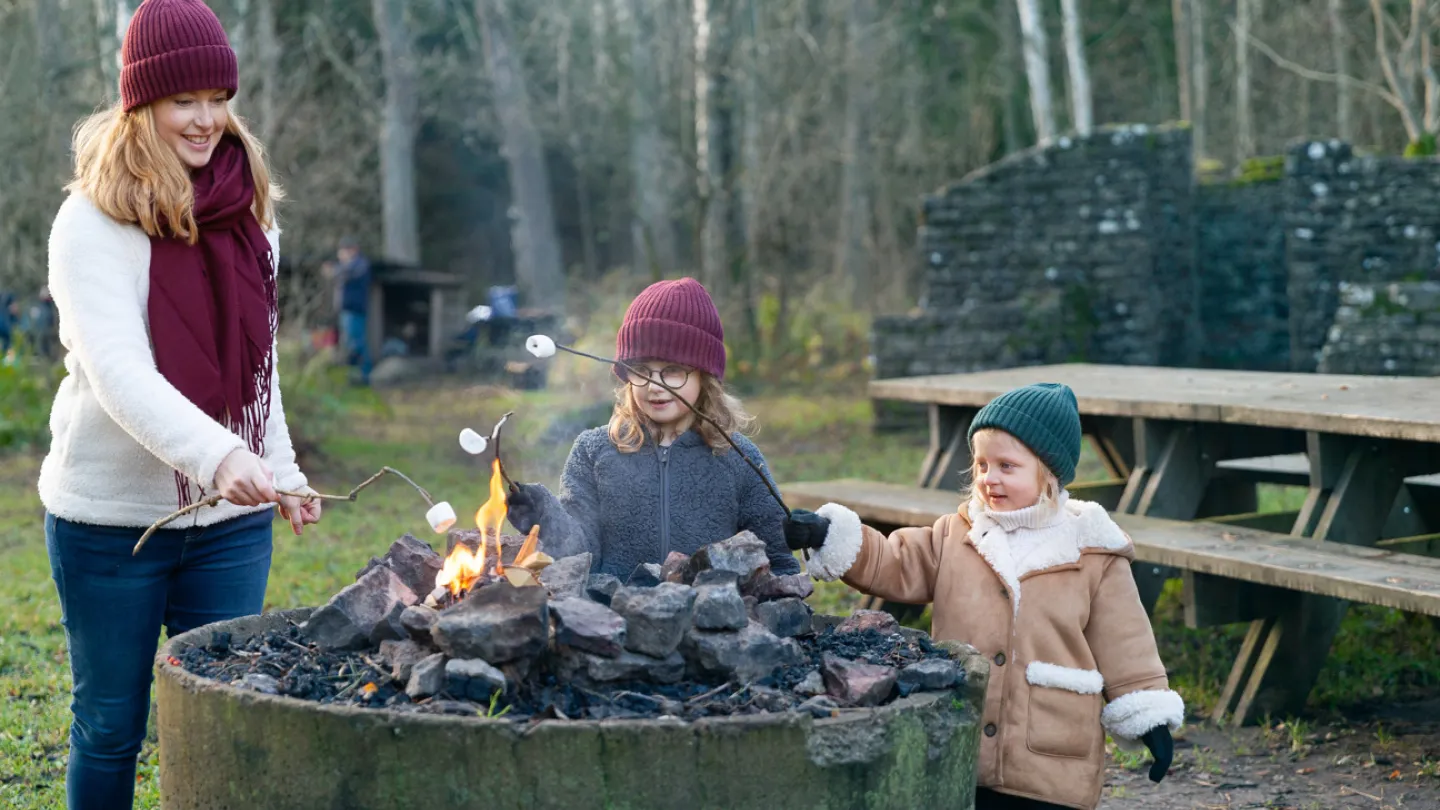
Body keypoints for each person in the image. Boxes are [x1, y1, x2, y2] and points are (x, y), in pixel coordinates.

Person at [39, 2, 320, 806]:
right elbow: (119, 374)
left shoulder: (252, 215)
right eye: (181, 101)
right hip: (110, 528)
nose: (205, 121)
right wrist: (220, 455)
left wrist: (280, 467)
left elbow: (256, 368)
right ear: (141, 104)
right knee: (111, 723)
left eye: (217, 98)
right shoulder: (90, 222)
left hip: (231, 530)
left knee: (229, 721)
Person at [784, 383, 1181, 810]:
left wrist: (1149, 717)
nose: (989, 478)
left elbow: (1126, 642)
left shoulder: (1093, 552)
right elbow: (893, 560)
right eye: (981, 465)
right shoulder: (957, 535)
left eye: (1007, 466)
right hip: (962, 745)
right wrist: (832, 536)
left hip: (1049, 757)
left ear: (1047, 473)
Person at [504, 277, 801, 579]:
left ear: (705, 376)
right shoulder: (594, 452)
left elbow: (778, 561)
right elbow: (579, 551)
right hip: (613, 617)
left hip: (714, 619)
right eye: (641, 371)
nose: (654, 386)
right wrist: (544, 518)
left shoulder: (737, 458)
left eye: (672, 371)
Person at [322, 234, 372, 384]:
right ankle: (355, 376)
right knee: (350, 343)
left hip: (354, 311)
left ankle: (363, 376)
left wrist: (332, 270)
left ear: (353, 250)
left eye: (343, 251)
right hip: (347, 311)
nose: (341, 255)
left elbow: (345, 272)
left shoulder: (360, 264)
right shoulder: (348, 266)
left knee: (356, 344)